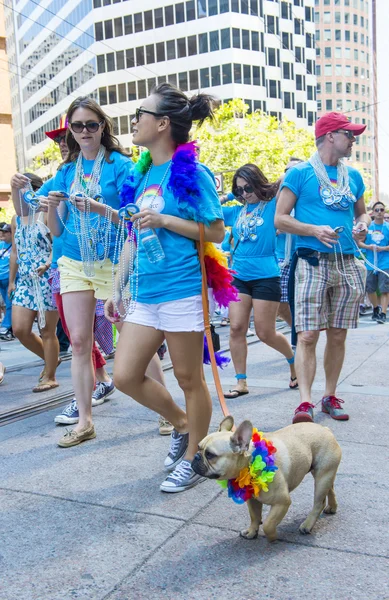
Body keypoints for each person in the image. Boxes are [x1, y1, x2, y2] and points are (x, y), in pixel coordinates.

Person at [105, 82, 225, 493]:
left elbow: (216, 231)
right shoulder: (142, 173)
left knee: (191, 378)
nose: (134, 120)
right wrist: (117, 288)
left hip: (182, 288)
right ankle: (181, 424)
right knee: (123, 375)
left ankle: (195, 459)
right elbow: (133, 237)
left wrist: (165, 221)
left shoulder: (190, 171)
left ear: (162, 124)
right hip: (145, 291)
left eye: (141, 112)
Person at [45, 97, 132, 446]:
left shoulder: (121, 166)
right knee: (80, 342)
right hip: (73, 261)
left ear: (103, 127)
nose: (84, 131)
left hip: (112, 261)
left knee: (131, 338)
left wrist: (98, 207)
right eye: (77, 126)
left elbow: (131, 221)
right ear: (70, 130)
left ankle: (163, 410)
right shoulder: (66, 172)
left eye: (91, 125)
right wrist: (52, 207)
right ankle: (85, 421)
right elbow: (57, 231)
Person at [275, 111, 369, 424]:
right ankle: (305, 402)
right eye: (349, 134)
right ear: (330, 135)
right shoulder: (300, 173)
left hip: (345, 261)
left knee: (338, 334)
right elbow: (280, 218)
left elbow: (363, 215)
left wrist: (362, 227)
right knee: (308, 335)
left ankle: (329, 396)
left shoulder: (353, 176)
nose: (353, 139)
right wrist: (315, 230)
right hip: (311, 261)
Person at [220, 164, 298, 399]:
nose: (245, 193)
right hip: (239, 276)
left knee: (265, 333)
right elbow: (209, 206)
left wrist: (266, 187)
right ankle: (241, 382)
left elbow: (287, 176)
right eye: (240, 189)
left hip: (266, 276)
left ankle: (294, 363)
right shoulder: (236, 212)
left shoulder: (273, 206)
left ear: (258, 183)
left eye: (249, 187)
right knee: (236, 328)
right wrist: (229, 195)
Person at [9, 172, 60, 392]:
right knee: (20, 328)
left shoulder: (46, 213)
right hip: (24, 280)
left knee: (47, 330)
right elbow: (14, 252)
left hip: (46, 279)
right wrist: (12, 281)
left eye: (25, 190)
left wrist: (49, 264)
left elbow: (58, 243)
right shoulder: (16, 219)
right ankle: (51, 358)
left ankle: (50, 375)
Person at [275, 158, 303, 329]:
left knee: (302, 301)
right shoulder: (276, 201)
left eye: (294, 170)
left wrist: (292, 226)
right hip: (281, 259)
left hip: (304, 258)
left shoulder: (306, 200)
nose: (289, 173)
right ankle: (295, 328)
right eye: (287, 170)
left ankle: (301, 336)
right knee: (279, 301)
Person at [357, 201, 389, 324]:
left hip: (385, 263)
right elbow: (359, 242)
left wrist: (384, 248)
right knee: (370, 288)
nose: (379, 212)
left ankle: (383, 313)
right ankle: (375, 308)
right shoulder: (368, 228)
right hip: (370, 262)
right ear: (373, 212)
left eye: (382, 210)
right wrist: (368, 247)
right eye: (377, 210)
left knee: (385, 289)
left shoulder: (387, 227)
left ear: (384, 212)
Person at [0, 223, 14, 340]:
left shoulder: (15, 246)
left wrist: (12, 281)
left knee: (10, 305)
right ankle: (10, 328)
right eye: (2, 232)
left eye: (5, 232)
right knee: (6, 304)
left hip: (10, 280)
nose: (2, 234)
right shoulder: (0, 245)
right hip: (1, 280)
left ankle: (5, 326)